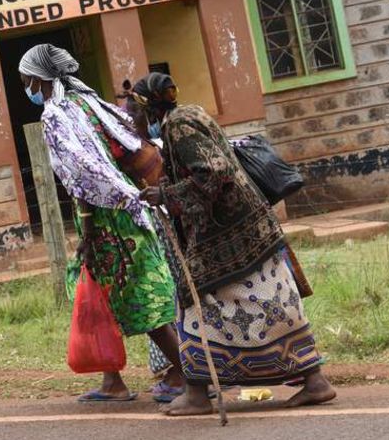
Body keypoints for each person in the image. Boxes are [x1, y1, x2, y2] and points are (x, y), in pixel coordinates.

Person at [133, 73, 336, 415]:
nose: (132, 121)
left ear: (148, 108)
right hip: (251, 228)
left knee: (194, 305)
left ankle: (197, 394)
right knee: (273, 302)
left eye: (133, 113)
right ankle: (314, 380)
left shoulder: (178, 126)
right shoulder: (189, 115)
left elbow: (213, 172)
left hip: (227, 235)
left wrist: (165, 195)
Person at [18, 44, 185, 403]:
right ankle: (113, 381)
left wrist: (88, 228)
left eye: (25, 78)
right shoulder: (88, 103)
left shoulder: (56, 114)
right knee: (99, 295)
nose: (25, 86)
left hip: (106, 216)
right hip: (127, 207)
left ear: (38, 77)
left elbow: (82, 174)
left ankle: (188, 376)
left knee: (137, 296)